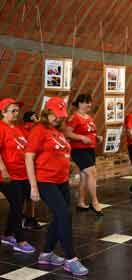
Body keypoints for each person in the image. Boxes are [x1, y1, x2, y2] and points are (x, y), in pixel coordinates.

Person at [25, 97, 88, 276]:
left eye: (61, 115)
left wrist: (71, 171)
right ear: (47, 112)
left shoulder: (57, 130)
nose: (59, 118)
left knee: (59, 217)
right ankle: (71, 259)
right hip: (45, 181)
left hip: (61, 181)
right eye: (55, 115)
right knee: (64, 214)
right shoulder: (39, 130)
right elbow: (29, 157)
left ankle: (46, 254)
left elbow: (62, 154)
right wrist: (33, 187)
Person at [0, 98, 36, 254]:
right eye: (12, 111)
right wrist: (3, 170)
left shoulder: (19, 129)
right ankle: (20, 240)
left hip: (22, 173)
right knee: (16, 205)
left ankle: (7, 234)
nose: (16, 113)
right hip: (7, 175)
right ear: (3, 112)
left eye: (17, 110)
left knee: (18, 204)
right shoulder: (1, 128)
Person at [65, 94, 103, 216]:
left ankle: (81, 202)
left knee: (85, 176)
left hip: (90, 149)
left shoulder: (89, 117)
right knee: (92, 173)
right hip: (79, 150)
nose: (89, 105)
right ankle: (95, 202)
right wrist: (81, 137)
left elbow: (90, 132)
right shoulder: (74, 117)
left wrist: (96, 138)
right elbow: (67, 133)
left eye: (90, 102)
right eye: (86, 102)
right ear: (80, 103)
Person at [20, 111, 42, 230]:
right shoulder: (29, 130)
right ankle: (28, 218)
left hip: (30, 165)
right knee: (27, 194)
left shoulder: (34, 129)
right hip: (24, 166)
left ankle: (30, 217)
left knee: (29, 194)